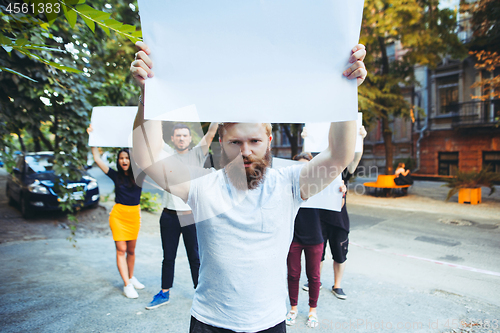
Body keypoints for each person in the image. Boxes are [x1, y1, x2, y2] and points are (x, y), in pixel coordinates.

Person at [130, 41, 367, 332]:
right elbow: (147, 155)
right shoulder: (203, 187)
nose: (245, 151)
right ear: (221, 144)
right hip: (209, 322)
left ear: (268, 142)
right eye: (235, 142)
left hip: (269, 323)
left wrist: (346, 91)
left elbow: (340, 154)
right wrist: (148, 95)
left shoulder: (289, 184)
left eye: (254, 141)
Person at [146, 122, 218, 310]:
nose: (181, 138)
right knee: (168, 257)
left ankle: (200, 293)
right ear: (172, 138)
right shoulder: (167, 155)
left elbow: (211, 132)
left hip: (189, 216)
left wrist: (219, 114)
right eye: (177, 135)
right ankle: (164, 293)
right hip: (169, 215)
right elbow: (153, 136)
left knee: (195, 256)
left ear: (190, 138)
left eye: (184, 135)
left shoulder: (196, 155)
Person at [302, 125, 367, 300]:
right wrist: (305, 140)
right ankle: (316, 281)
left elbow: (355, 159)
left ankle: (337, 285)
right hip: (318, 217)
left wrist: (360, 139)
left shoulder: (342, 168)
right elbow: (304, 162)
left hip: (339, 219)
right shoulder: (317, 168)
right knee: (319, 252)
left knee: (340, 253)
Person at [285, 152, 347, 328]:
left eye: (306, 166)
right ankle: (293, 308)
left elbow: (337, 207)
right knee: (293, 275)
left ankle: (313, 310)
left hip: (315, 238)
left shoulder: (321, 187)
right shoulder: (288, 188)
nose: (303, 170)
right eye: (299, 167)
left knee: (314, 276)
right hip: (294, 238)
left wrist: (340, 194)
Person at [90, 143, 144, 299]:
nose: (124, 160)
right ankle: (127, 285)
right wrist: (94, 140)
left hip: (134, 216)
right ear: (118, 161)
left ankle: (131, 277)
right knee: (121, 250)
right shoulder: (115, 175)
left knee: (131, 250)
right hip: (118, 216)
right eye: (121, 158)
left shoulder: (140, 174)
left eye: (127, 158)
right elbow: (97, 158)